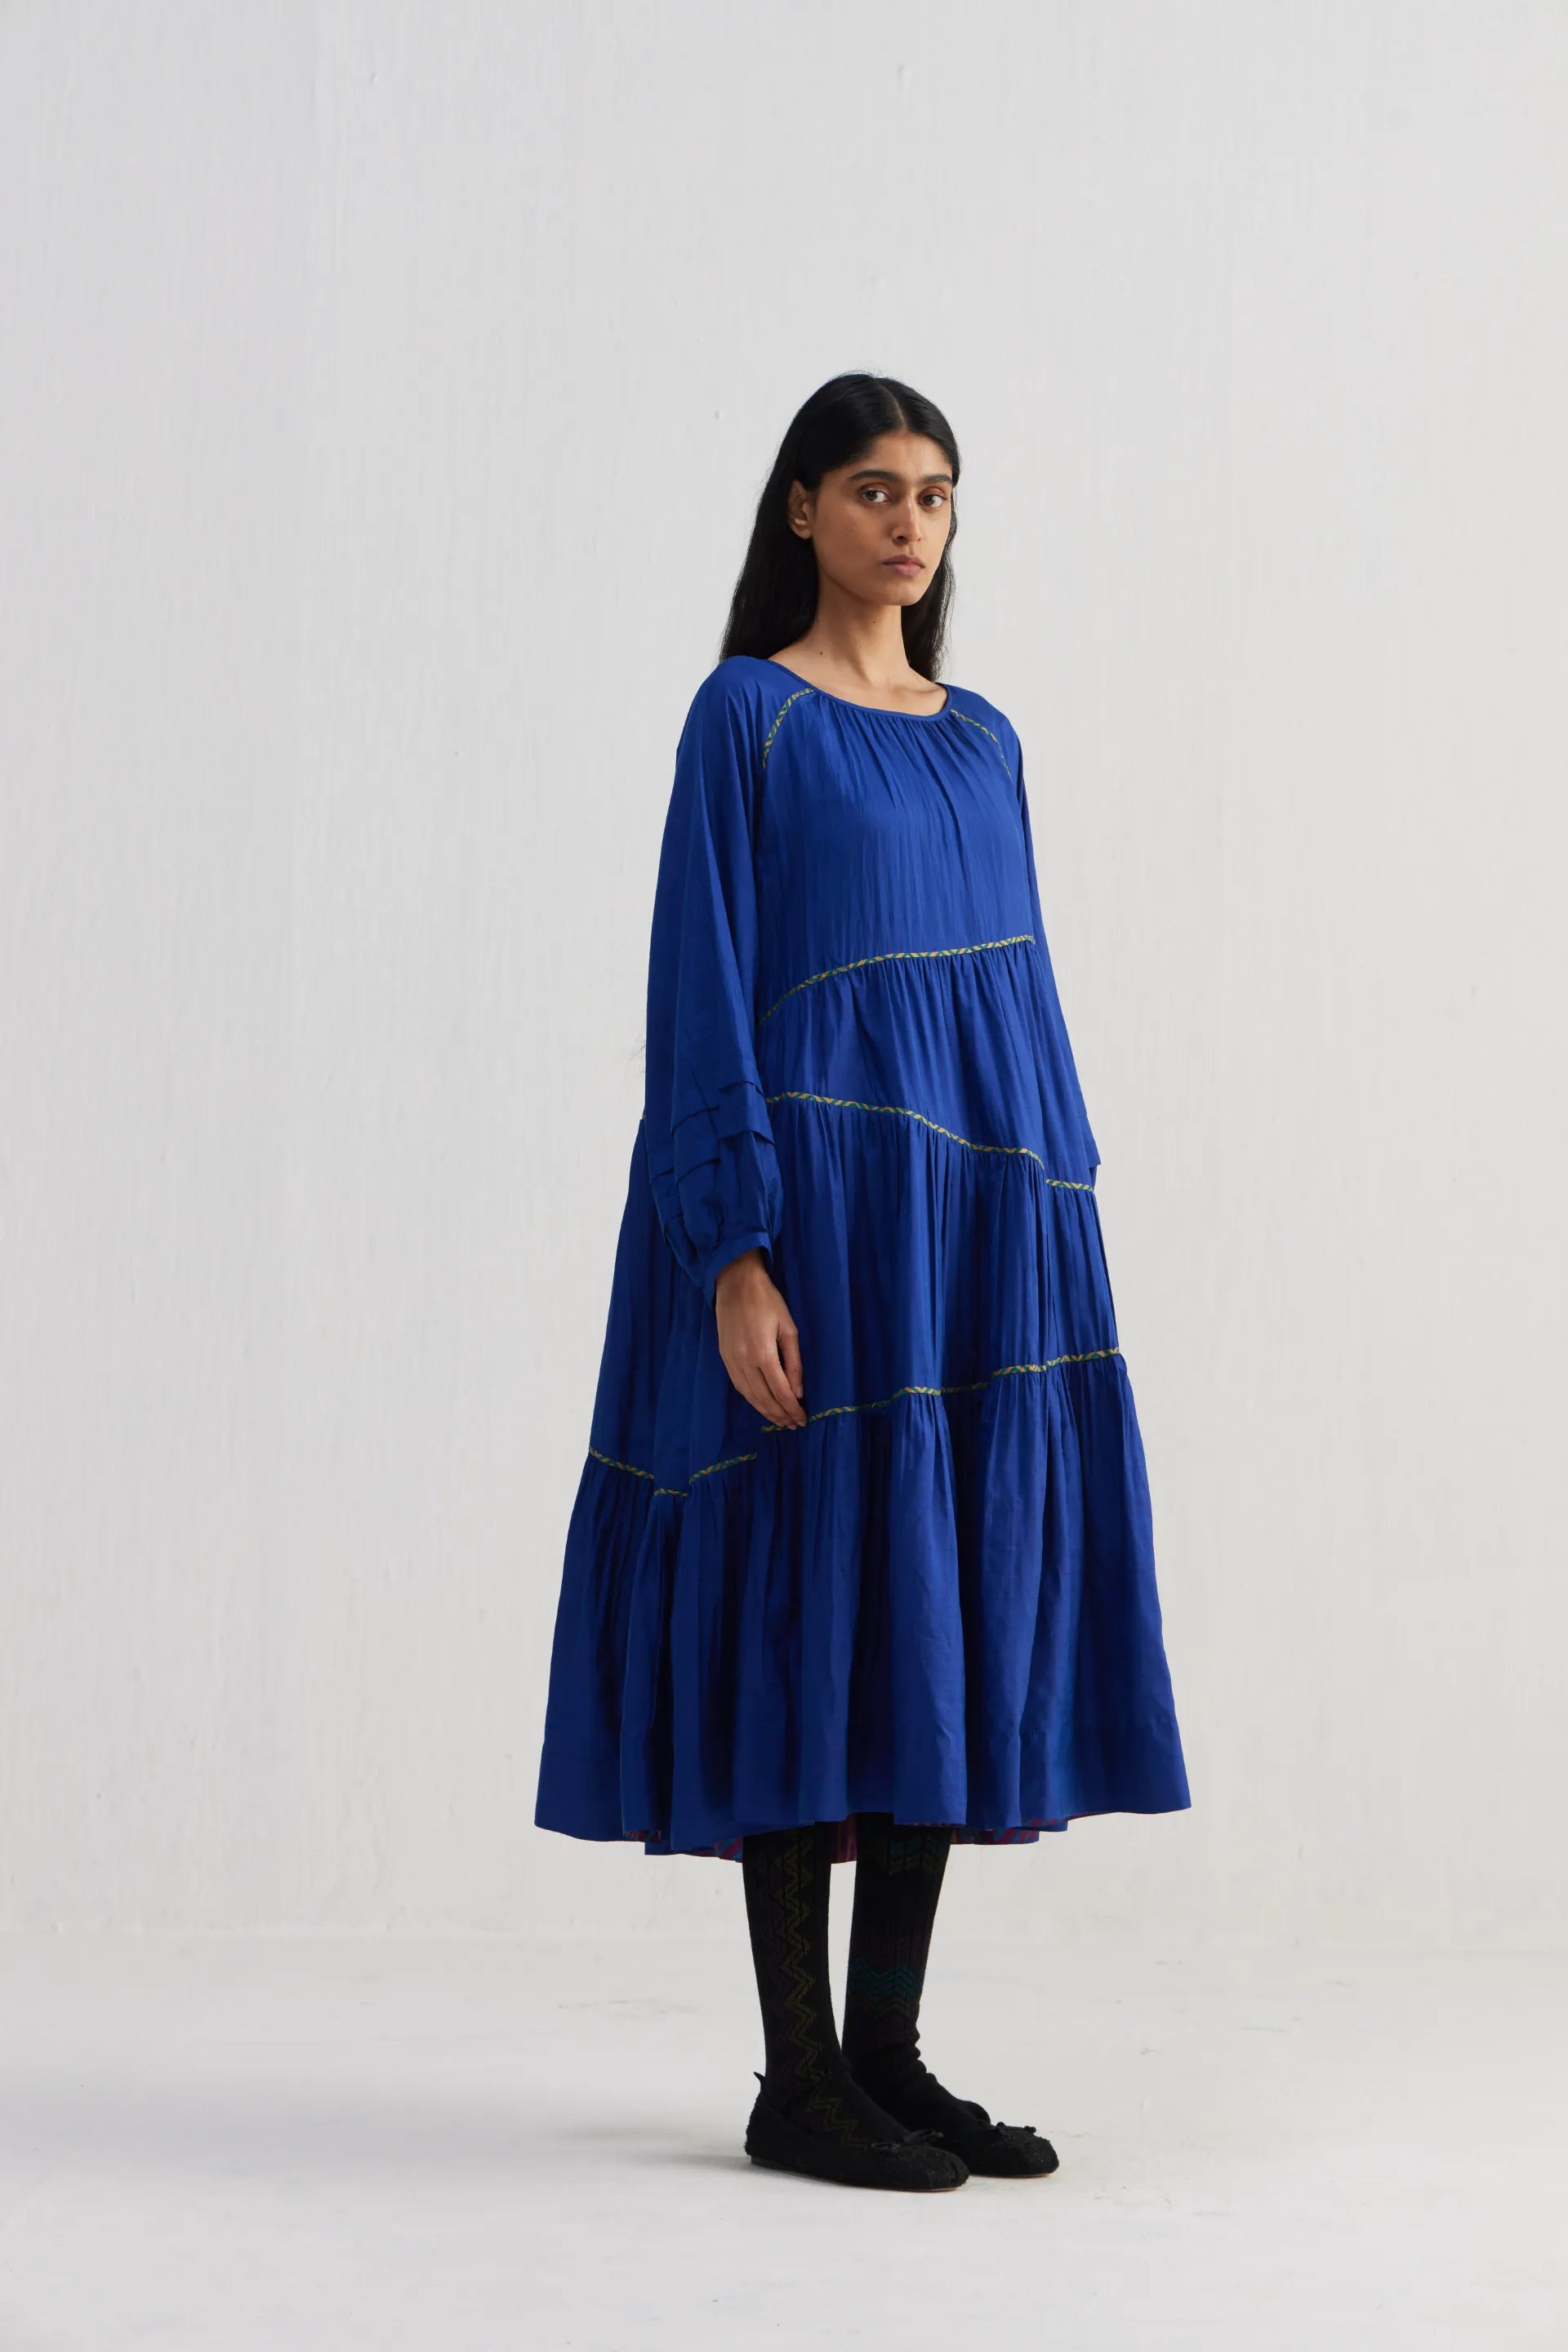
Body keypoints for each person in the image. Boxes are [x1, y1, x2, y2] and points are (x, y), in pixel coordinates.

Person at [534, 372, 1191, 2193]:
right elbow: (699, 987)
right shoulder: (745, 717)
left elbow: (1016, 990)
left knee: (934, 1602)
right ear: (804, 510)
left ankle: (891, 2055)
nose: (911, 522)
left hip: (973, 1225)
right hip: (817, 1218)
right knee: (807, 1593)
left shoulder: (984, 740)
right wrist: (731, 1248)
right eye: (876, 489)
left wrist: (1052, 1198)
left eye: (937, 493)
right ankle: (799, 2079)